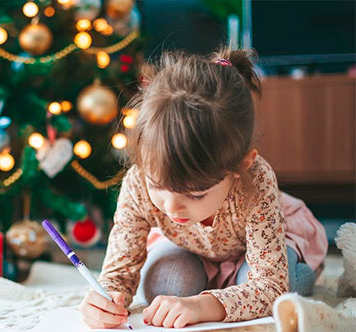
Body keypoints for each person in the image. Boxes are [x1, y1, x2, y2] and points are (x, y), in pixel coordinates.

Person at [78, 48, 328, 329]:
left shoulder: (256, 181)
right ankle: (220, 282)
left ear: (240, 167)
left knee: (282, 291)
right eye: (157, 185)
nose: (172, 207)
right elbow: (119, 273)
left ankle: (242, 281)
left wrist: (203, 306)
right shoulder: (138, 181)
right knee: (166, 286)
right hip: (192, 248)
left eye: (195, 193)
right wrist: (107, 298)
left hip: (265, 244)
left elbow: (270, 285)